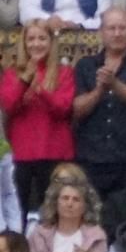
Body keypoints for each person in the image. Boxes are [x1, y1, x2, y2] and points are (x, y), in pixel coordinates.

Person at [1, 21, 77, 212]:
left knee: (53, 212)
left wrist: (41, 90)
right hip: (23, 154)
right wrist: (25, 80)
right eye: (31, 39)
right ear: (24, 43)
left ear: (51, 42)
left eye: (42, 38)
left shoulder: (64, 72)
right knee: (21, 210)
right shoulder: (12, 74)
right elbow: (8, 105)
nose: (36, 44)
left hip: (55, 152)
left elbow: (64, 108)